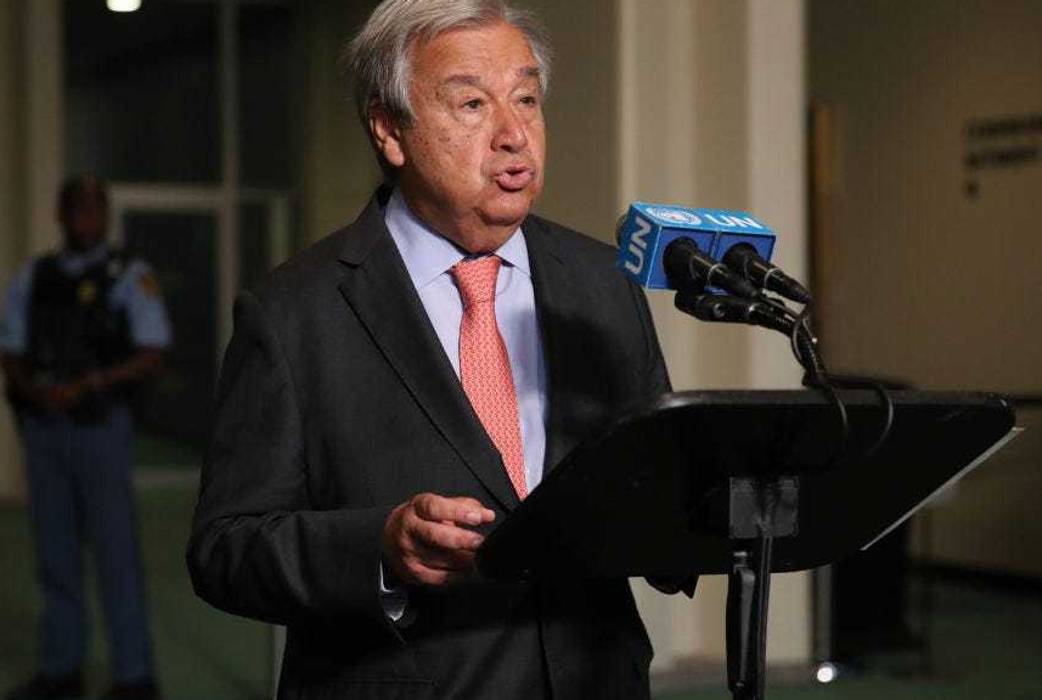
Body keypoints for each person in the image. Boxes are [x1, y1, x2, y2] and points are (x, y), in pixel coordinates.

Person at [188, 1, 688, 698]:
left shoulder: (602, 282)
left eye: (526, 99)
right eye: (472, 104)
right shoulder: (293, 312)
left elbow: (649, 486)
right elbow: (225, 548)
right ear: (389, 130)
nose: (514, 134)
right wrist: (380, 549)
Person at [0, 174, 168, 700]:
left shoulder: (128, 274)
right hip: (46, 430)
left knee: (116, 555)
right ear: (61, 213)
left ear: (105, 214)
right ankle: (61, 669)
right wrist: (35, 391)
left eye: (94, 208)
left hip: (99, 429)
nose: (85, 218)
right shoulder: (36, 275)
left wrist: (91, 383)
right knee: (55, 554)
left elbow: (153, 350)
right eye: (76, 208)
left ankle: (134, 678)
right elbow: (7, 345)